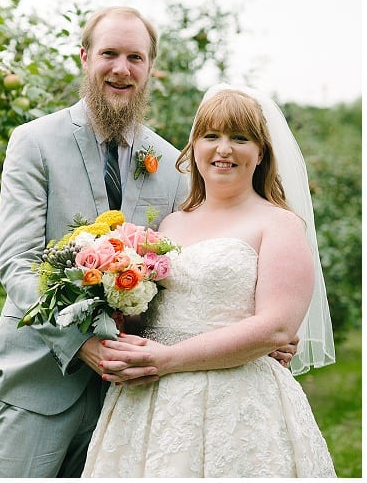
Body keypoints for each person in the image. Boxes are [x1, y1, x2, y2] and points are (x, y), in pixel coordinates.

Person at [0, 6, 191, 477]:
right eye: (109, 53)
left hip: (129, 396)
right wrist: (84, 341)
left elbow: (189, 266)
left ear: (150, 68)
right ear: (84, 57)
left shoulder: (172, 164)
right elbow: (18, 262)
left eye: (135, 57)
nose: (121, 68)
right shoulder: (33, 142)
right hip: (39, 377)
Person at [81, 87, 336, 477]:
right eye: (211, 136)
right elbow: (151, 313)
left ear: (261, 152)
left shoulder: (279, 224)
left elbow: (278, 326)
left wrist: (165, 360)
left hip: (237, 402)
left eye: (240, 138)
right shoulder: (170, 224)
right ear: (194, 146)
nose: (224, 149)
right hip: (149, 403)